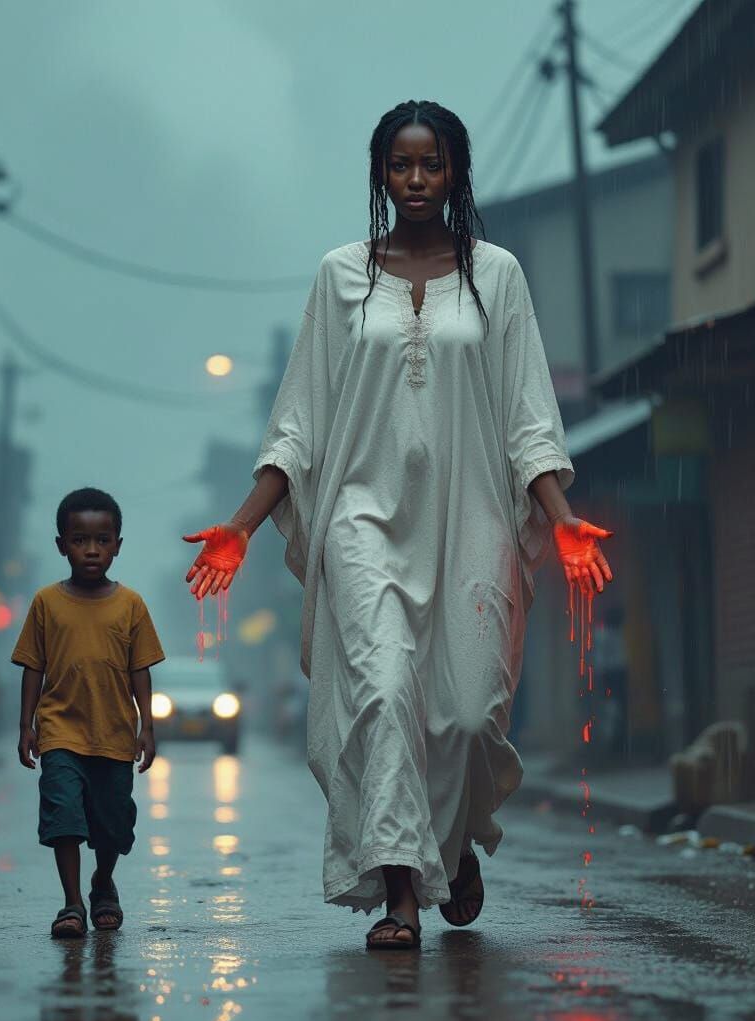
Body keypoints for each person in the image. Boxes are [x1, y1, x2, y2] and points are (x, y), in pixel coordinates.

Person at [183, 100, 613, 951]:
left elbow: (530, 417)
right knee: (382, 693)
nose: (416, 180)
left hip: (474, 517)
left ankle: (449, 846)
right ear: (380, 173)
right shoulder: (341, 276)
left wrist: (560, 519)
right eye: (401, 165)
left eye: (433, 165)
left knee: (460, 714)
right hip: (361, 514)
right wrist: (241, 524)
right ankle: (402, 894)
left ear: (456, 173)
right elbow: (299, 422)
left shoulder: (498, 277)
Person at [13, 487, 165, 939]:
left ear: (118, 543)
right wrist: (27, 726)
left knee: (112, 822)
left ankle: (103, 880)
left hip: (114, 733)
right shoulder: (46, 603)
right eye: (80, 540)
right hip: (60, 731)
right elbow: (32, 667)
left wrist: (147, 726)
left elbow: (141, 670)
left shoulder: (131, 604)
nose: (92, 550)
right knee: (64, 815)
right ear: (61, 544)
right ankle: (72, 903)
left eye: (102, 539)